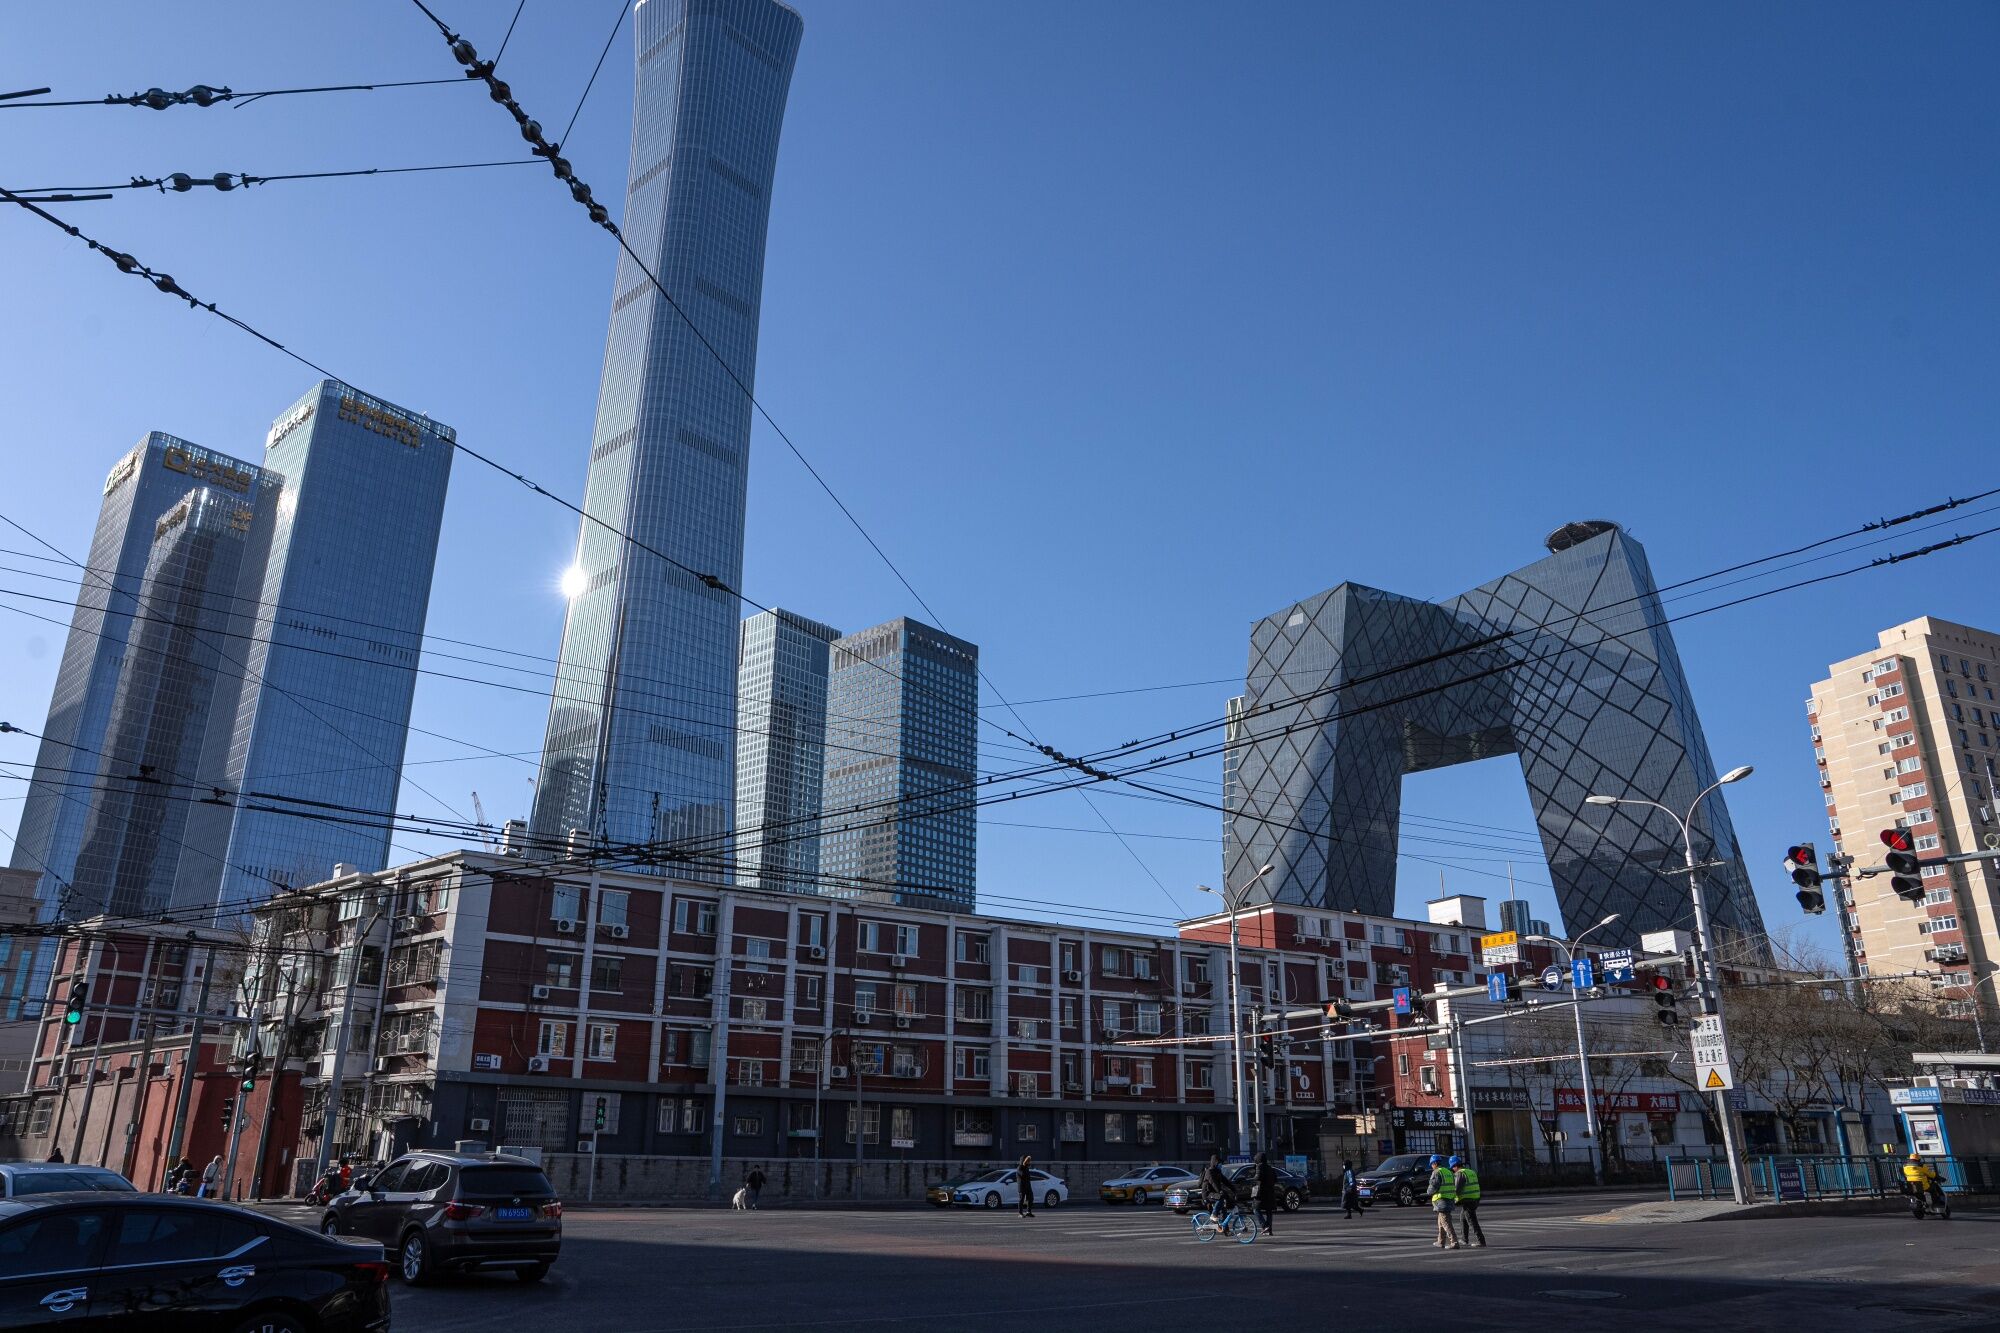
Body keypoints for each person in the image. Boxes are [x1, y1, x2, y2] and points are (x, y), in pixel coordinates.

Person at [1427, 1154, 1460, 1249]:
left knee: (1445, 1223)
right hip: (1449, 1199)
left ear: (1435, 1163)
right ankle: (1440, 1241)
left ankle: (1454, 1242)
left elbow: (1433, 1187)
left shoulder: (1437, 1172)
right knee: (1441, 1222)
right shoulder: (1448, 1171)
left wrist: (1428, 1192)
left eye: (1432, 1164)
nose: (1432, 1166)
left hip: (1441, 1201)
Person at [1451, 1156, 1485, 1247]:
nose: (1453, 1170)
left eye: (1452, 1168)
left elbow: (1457, 1189)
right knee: (1463, 1217)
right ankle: (1464, 1239)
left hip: (1468, 1200)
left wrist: (1452, 1199)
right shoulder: (1471, 1171)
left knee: (1472, 1220)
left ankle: (1481, 1241)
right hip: (1476, 1198)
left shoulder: (1460, 1174)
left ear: (1455, 1166)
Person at [1252, 1151, 1280, 1235]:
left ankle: (1264, 1226)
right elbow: (1275, 1179)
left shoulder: (1259, 1167)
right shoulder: (1270, 1168)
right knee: (1269, 1211)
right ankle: (1269, 1230)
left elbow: (1258, 1177)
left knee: (1255, 1209)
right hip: (1270, 1192)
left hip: (1261, 1193)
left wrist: (1252, 1178)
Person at [1017, 1153, 1036, 1218]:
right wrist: (1024, 1165)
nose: (1029, 1162)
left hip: (1028, 1186)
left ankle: (1028, 1212)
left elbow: (1028, 1177)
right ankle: (1020, 1213)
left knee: (1031, 1198)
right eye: (1027, 1161)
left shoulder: (1026, 1168)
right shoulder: (1020, 1167)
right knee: (1021, 1199)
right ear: (1023, 1160)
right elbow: (1022, 1175)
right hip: (1022, 1186)